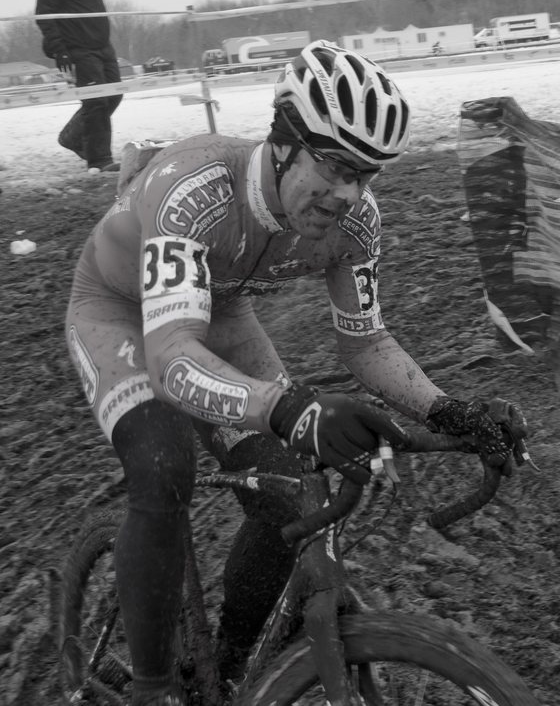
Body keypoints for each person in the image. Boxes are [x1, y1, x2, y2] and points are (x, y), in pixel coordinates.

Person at [64, 40, 524, 706]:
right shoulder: (197, 189)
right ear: (283, 142)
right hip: (119, 312)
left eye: (366, 174)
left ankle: (220, 671)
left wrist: (449, 409)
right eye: (335, 165)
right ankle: (150, 686)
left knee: (284, 489)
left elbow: (366, 343)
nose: (347, 194)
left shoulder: (358, 223)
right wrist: (289, 407)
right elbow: (170, 357)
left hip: (217, 307)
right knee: (163, 465)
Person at [36, 0, 123, 172]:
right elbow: (44, 12)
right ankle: (100, 160)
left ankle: (72, 137)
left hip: (102, 44)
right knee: (95, 101)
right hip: (79, 47)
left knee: (115, 94)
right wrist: (59, 50)